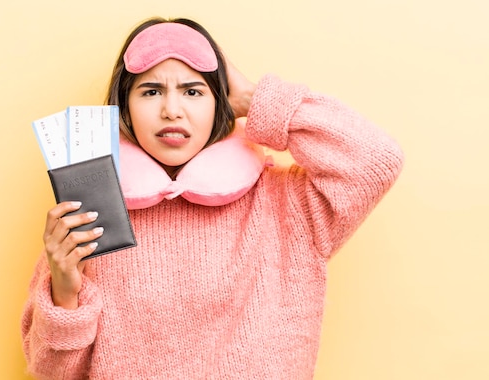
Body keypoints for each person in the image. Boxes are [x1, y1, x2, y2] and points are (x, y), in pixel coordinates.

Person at [21, 17, 404, 379]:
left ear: (220, 101)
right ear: (125, 109)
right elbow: (52, 372)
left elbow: (375, 160)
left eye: (193, 91)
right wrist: (64, 289)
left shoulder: (288, 205)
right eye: (151, 91)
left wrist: (257, 101)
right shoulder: (89, 216)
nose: (172, 110)